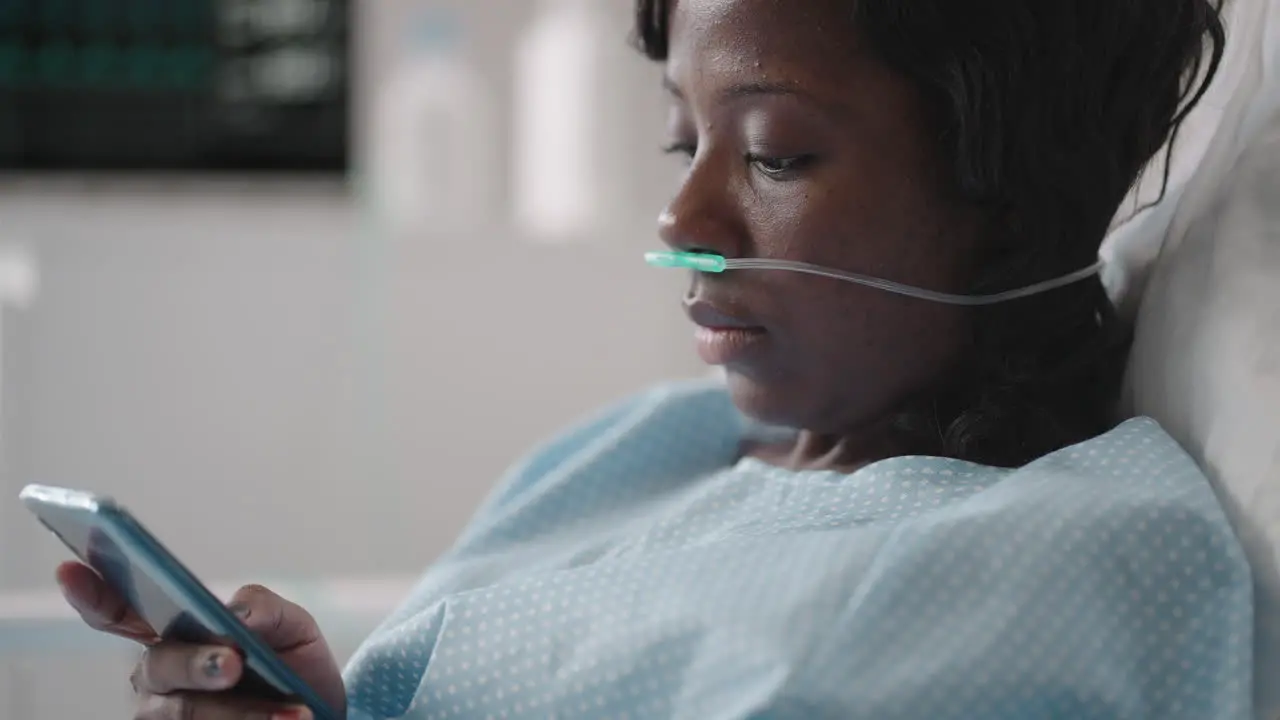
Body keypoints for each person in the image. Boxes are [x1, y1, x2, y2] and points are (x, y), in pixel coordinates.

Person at [58, 0, 1252, 717]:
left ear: (1007, 189)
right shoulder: (642, 450)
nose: (679, 219)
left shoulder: (1067, 554)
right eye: (680, 137)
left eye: (773, 154)